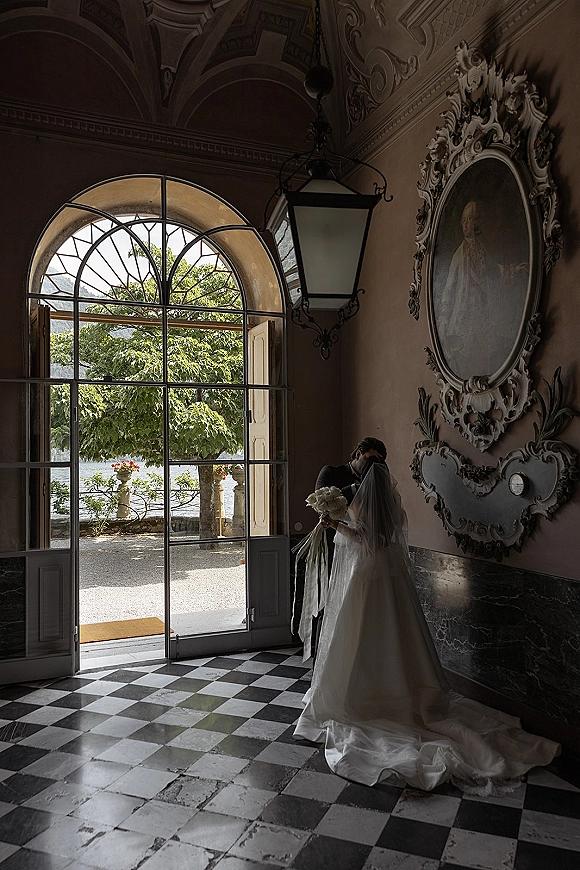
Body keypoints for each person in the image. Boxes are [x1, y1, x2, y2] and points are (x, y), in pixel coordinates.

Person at [294, 458, 560, 794]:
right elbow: (385, 539)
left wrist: (337, 525)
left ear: (365, 474)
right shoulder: (391, 502)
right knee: (398, 636)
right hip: (391, 582)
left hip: (365, 580)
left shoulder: (361, 498)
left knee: (363, 638)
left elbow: (367, 541)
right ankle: (406, 691)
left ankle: (366, 698)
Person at [309, 438, 387, 658]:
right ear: (358, 453)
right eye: (370, 457)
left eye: (379, 460)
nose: (374, 463)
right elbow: (320, 504)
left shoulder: (380, 486)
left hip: (363, 553)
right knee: (328, 604)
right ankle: (322, 660)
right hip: (332, 548)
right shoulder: (331, 472)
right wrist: (355, 488)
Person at [437, 200, 528, 379]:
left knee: (483, 363)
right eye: (463, 220)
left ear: (476, 222)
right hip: (463, 321)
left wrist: (514, 270)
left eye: (469, 219)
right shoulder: (457, 255)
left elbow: (493, 269)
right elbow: (447, 290)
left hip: (481, 318)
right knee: (466, 367)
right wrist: (443, 323)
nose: (465, 224)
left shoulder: (480, 249)